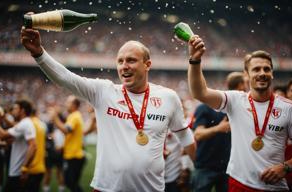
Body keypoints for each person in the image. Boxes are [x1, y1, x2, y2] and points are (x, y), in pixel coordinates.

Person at [20, 23, 196, 191]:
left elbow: (185, 136)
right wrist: (38, 53)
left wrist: (202, 167)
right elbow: (66, 78)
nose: (124, 66)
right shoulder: (104, 92)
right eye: (120, 61)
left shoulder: (168, 97)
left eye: (131, 60)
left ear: (147, 65)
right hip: (107, 188)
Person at [187, 34, 292, 191]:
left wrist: (286, 167)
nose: (262, 73)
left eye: (266, 69)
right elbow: (199, 93)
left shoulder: (290, 108)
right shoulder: (235, 100)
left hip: (275, 187)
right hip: (239, 184)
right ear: (246, 75)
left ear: (272, 73)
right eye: (256, 69)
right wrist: (195, 60)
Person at [191, 72, 246, 192]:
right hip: (206, 166)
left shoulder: (240, 108)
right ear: (241, 85)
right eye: (246, 83)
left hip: (228, 168)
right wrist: (218, 128)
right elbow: (198, 135)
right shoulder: (204, 107)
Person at [0, 99, 37, 192]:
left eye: (16, 108)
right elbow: (15, 126)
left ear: (22, 111)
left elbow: (2, 135)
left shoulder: (25, 124)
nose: (14, 111)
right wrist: (4, 117)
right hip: (17, 172)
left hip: (17, 173)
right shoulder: (25, 123)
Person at [49, 95, 85, 192]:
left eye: (68, 102)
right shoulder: (74, 116)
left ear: (74, 105)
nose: (66, 104)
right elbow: (71, 136)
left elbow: (66, 130)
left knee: (70, 183)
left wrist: (55, 117)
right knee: (72, 184)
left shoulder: (75, 116)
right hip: (74, 155)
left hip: (73, 156)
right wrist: (62, 146)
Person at [23, 109, 46, 192]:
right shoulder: (41, 124)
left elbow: (33, 146)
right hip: (40, 166)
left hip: (31, 166)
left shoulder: (29, 124)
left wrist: (24, 167)